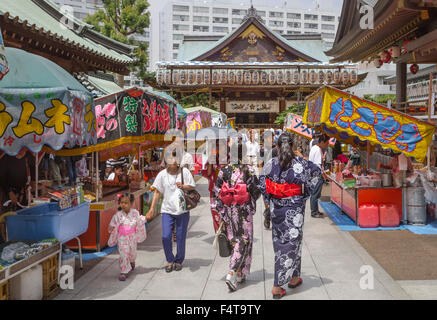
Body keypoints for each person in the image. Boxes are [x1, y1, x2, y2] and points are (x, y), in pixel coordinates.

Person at [259, 132, 322, 299]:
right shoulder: (302, 163)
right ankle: (277, 286)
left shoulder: (271, 163)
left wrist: (269, 200)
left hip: (276, 209)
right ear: (293, 147)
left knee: (284, 242)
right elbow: (317, 173)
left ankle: (294, 277)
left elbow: (262, 183)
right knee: (290, 244)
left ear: (277, 147)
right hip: (295, 209)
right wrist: (304, 194)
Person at [213, 139, 261, 292]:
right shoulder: (249, 170)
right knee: (244, 241)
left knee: (235, 241)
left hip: (229, 211)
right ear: (245, 153)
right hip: (244, 211)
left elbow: (216, 191)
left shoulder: (224, 170)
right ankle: (232, 272)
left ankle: (240, 274)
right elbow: (256, 191)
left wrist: (222, 211)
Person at [146, 149, 196, 272]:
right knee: (165, 236)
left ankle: (178, 260)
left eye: (173, 159)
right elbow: (157, 192)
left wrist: (183, 186)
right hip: (167, 210)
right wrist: (152, 208)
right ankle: (169, 259)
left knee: (180, 236)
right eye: (168, 159)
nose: (170, 161)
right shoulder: (162, 174)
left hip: (182, 210)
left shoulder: (185, 172)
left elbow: (192, 186)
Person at [108, 193, 147, 281]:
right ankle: (124, 271)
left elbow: (139, 220)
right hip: (122, 238)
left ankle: (132, 261)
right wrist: (112, 227)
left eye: (126, 203)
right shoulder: (118, 215)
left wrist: (145, 218)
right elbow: (113, 224)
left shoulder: (135, 213)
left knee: (132, 253)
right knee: (123, 254)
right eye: (122, 202)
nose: (123, 205)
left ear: (131, 203)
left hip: (132, 237)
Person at [202, 140, 228, 233]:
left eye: (221, 146)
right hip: (214, 190)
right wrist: (210, 162)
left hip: (227, 191)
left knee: (227, 213)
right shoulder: (212, 158)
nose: (219, 148)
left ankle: (227, 234)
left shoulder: (229, 158)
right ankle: (219, 235)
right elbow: (208, 173)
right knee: (215, 212)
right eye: (217, 146)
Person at [308, 134, 330, 218]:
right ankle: (314, 212)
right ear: (322, 142)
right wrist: (323, 175)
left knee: (315, 193)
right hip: (316, 175)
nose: (327, 145)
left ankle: (315, 210)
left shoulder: (314, 148)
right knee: (315, 194)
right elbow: (317, 165)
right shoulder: (317, 150)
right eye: (326, 143)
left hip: (313, 174)